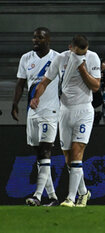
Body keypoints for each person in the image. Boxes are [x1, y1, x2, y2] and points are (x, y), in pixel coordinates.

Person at [30, 34, 101, 207]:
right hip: (65, 110)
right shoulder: (60, 59)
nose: (81, 56)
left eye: (83, 52)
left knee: (78, 152)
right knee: (69, 158)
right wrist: (36, 97)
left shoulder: (92, 58)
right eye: (78, 53)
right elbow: (45, 82)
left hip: (84, 110)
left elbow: (96, 86)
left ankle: (71, 198)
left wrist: (82, 69)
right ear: (71, 48)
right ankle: (84, 193)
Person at [11, 27, 59, 206]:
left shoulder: (57, 58)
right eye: (34, 37)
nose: (35, 41)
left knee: (46, 150)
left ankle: (37, 196)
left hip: (50, 111)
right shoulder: (26, 58)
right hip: (33, 112)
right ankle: (53, 197)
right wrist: (15, 104)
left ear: (48, 40)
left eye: (39, 38)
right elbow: (20, 84)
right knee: (40, 154)